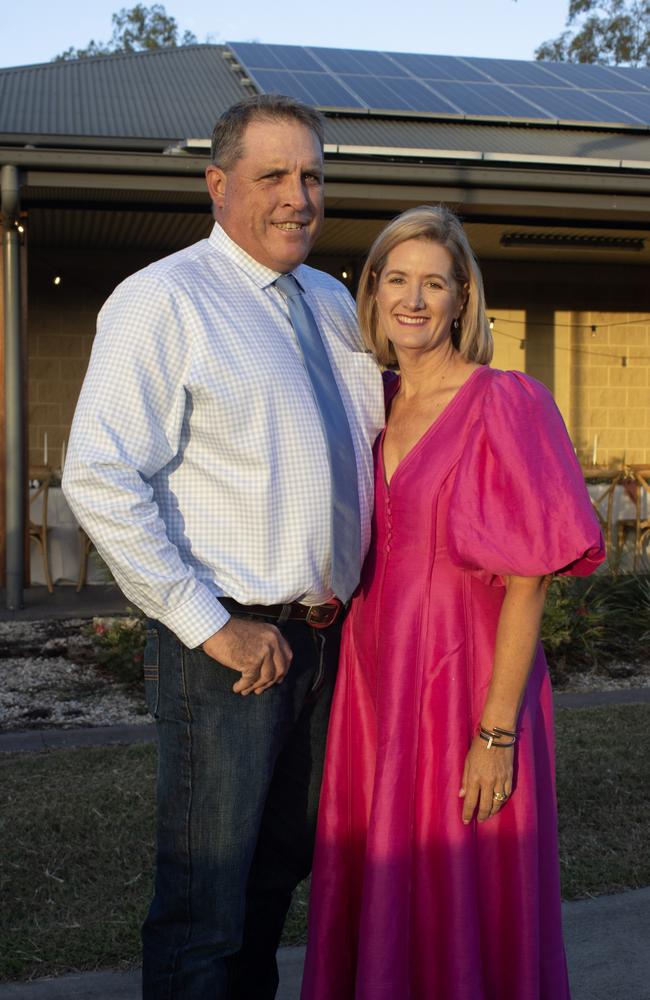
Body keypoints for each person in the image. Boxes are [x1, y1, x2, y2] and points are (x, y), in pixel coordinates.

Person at [62, 94, 384, 999]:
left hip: (323, 641)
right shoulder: (164, 300)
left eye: (313, 175)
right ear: (217, 184)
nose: (299, 197)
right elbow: (100, 476)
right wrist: (210, 625)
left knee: (272, 884)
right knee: (206, 906)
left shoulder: (330, 303)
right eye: (273, 175)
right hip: (231, 648)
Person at [301, 205, 605, 1000]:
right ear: (372, 294)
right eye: (395, 279)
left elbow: (530, 578)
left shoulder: (509, 401)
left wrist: (496, 733)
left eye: (432, 283)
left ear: (463, 299)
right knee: (384, 881)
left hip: (469, 686)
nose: (412, 298)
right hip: (373, 692)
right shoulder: (371, 403)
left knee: (468, 879)